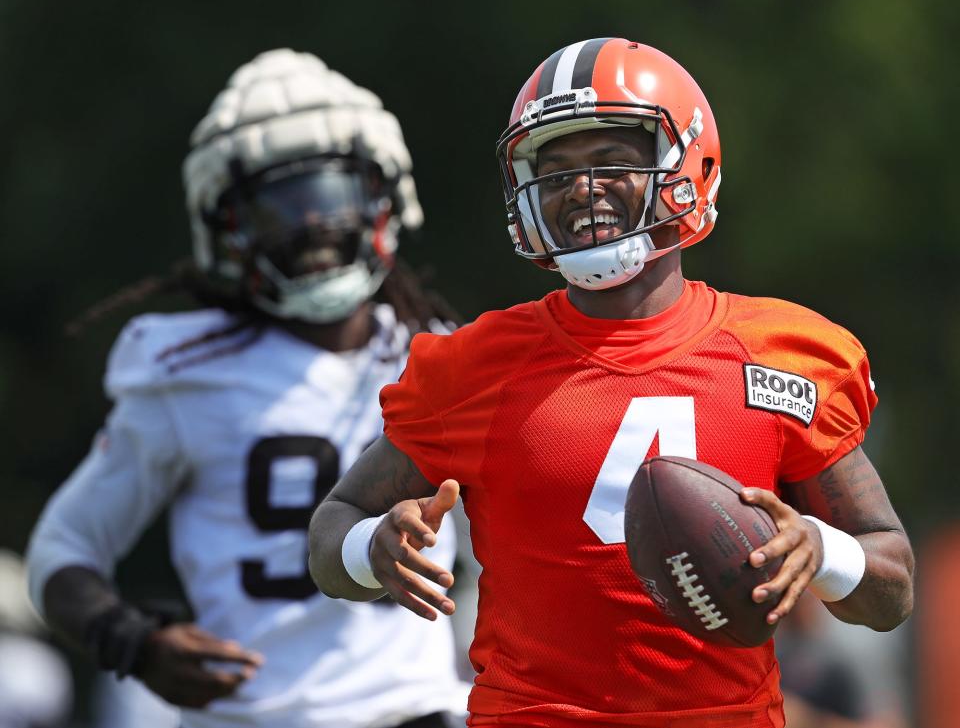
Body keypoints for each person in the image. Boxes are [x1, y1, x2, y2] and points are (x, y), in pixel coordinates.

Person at [308, 38, 915, 728]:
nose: (580, 187)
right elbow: (332, 530)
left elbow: (892, 588)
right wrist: (371, 549)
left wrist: (818, 547)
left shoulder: (783, 357)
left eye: (611, 161)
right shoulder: (472, 367)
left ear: (686, 163)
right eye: (556, 168)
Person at [26, 48, 470, 728]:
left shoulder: (443, 356)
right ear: (229, 229)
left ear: (383, 196)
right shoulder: (188, 372)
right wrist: (134, 641)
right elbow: (63, 550)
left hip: (417, 708)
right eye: (280, 207)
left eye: (332, 195)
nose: (315, 226)